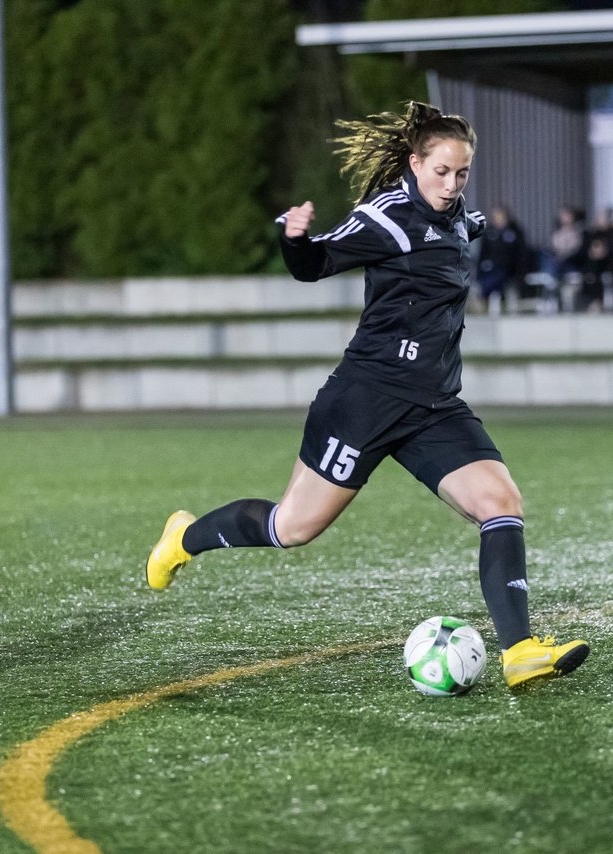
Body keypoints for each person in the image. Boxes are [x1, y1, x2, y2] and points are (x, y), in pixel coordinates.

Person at [145, 102, 588, 688]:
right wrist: (295, 239)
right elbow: (316, 262)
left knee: (500, 503)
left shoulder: (455, 215)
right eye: (441, 172)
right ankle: (184, 537)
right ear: (414, 162)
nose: (452, 185)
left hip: (433, 406)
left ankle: (520, 650)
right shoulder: (388, 216)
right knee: (293, 528)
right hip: (366, 399)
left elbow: (462, 229)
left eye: (462, 174)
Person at [475, 205, 526, 315]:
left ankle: (484, 297)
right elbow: (483, 253)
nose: (498, 219)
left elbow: (520, 254)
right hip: (491, 268)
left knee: (497, 277)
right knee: (487, 278)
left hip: (508, 269)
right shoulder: (489, 233)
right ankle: (487, 297)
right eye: (495, 217)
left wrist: (520, 272)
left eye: (500, 216)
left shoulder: (515, 232)